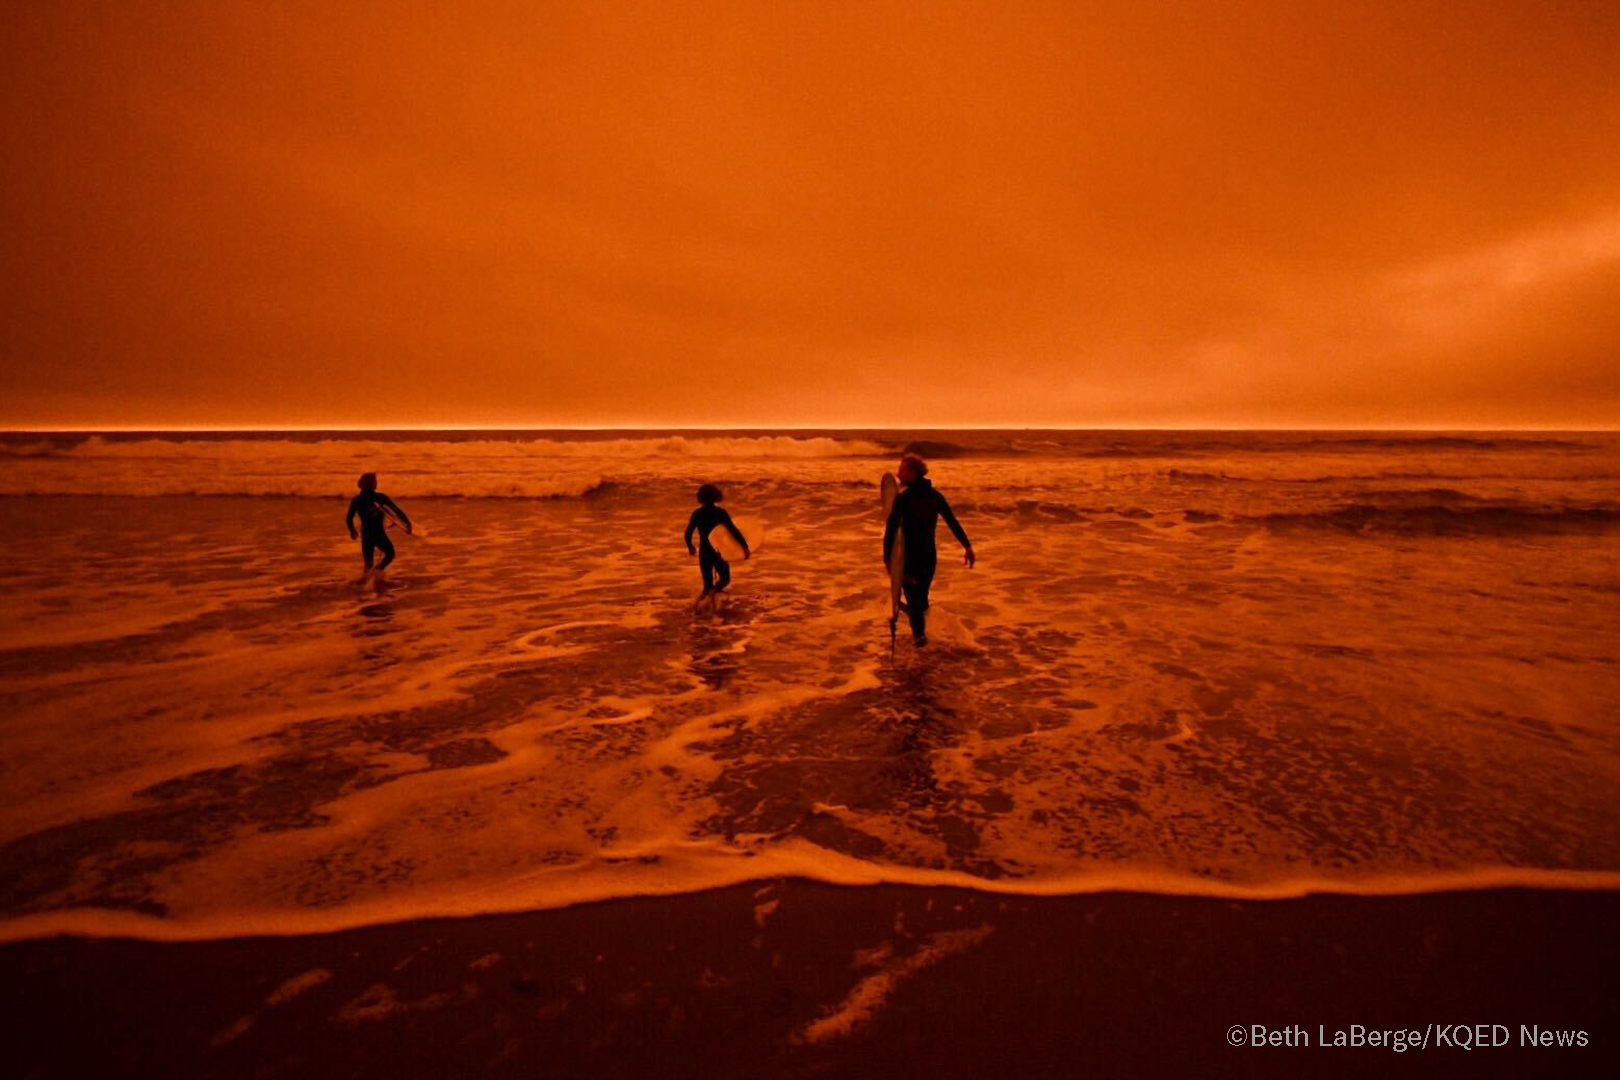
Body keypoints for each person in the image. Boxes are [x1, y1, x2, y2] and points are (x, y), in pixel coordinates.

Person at [883, 455, 973, 645]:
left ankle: (920, 641)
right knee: (921, 602)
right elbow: (952, 522)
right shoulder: (935, 496)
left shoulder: (903, 499)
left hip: (909, 561)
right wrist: (967, 546)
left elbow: (891, 530)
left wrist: (887, 559)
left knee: (916, 602)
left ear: (912, 473)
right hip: (929, 559)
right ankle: (922, 636)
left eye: (902, 470)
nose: (898, 473)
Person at [685, 483, 749, 598]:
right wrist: (744, 546)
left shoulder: (697, 513)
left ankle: (699, 609)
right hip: (718, 550)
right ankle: (714, 592)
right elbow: (733, 530)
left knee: (707, 585)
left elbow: (688, 533)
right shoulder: (720, 513)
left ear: (700, 497)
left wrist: (691, 547)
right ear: (716, 496)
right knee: (725, 579)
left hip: (704, 551)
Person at [346, 472, 411, 571]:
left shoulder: (357, 499)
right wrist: (407, 523)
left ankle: (366, 582)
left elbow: (349, 518)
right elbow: (396, 510)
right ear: (371, 483)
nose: (377, 483)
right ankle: (377, 572)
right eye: (375, 481)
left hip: (366, 533)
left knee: (368, 564)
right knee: (390, 554)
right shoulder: (380, 497)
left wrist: (352, 530)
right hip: (378, 533)